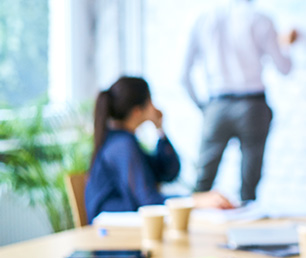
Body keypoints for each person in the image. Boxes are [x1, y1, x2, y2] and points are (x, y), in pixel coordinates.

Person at [182, 0, 296, 203]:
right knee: (249, 187)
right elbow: (284, 68)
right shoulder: (260, 19)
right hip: (253, 107)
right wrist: (285, 43)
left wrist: (205, 108)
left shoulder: (203, 17)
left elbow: (183, 75)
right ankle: (247, 236)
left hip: (217, 103)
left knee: (201, 185)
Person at [85, 76, 233, 222]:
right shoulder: (121, 146)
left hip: (126, 227)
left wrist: (160, 129)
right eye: (150, 100)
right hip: (113, 233)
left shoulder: (125, 141)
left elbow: (169, 172)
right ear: (137, 111)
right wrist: (195, 201)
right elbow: (148, 201)